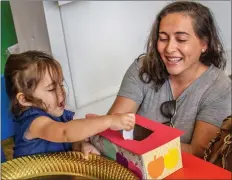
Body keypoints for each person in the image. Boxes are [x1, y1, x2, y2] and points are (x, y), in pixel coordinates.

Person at [106, 1, 231, 158]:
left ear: (204, 43)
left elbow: (199, 153)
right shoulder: (142, 68)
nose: (169, 48)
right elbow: (111, 126)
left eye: (181, 39)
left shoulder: (220, 87)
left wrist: (139, 140)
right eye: (163, 38)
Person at [4, 50, 135, 159]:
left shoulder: (55, 115)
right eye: (51, 89)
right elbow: (65, 132)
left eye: (61, 84)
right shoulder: (35, 123)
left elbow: (67, 139)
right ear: (24, 99)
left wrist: (79, 145)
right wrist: (108, 121)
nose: (61, 92)